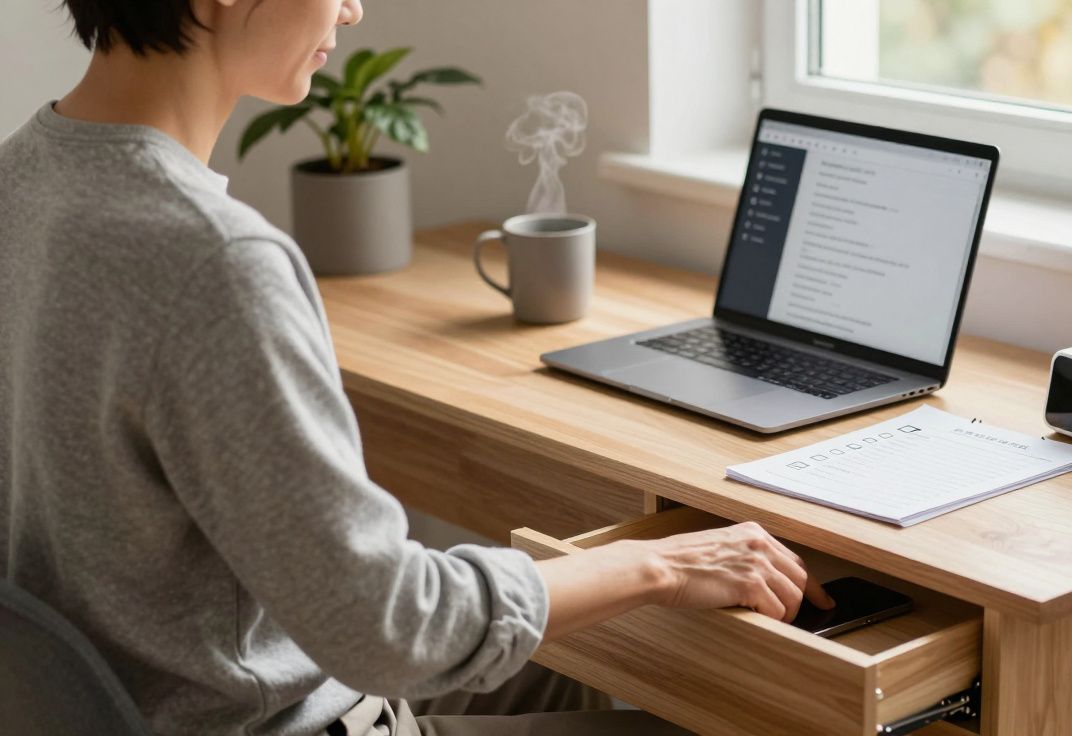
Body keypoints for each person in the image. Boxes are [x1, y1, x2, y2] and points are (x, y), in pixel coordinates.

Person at [0, 2, 835, 735]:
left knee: (622, 658)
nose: (353, 11)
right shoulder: (212, 260)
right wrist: (663, 563)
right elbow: (391, 630)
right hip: (279, 716)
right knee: (694, 709)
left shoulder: (20, 179)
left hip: (150, 696)